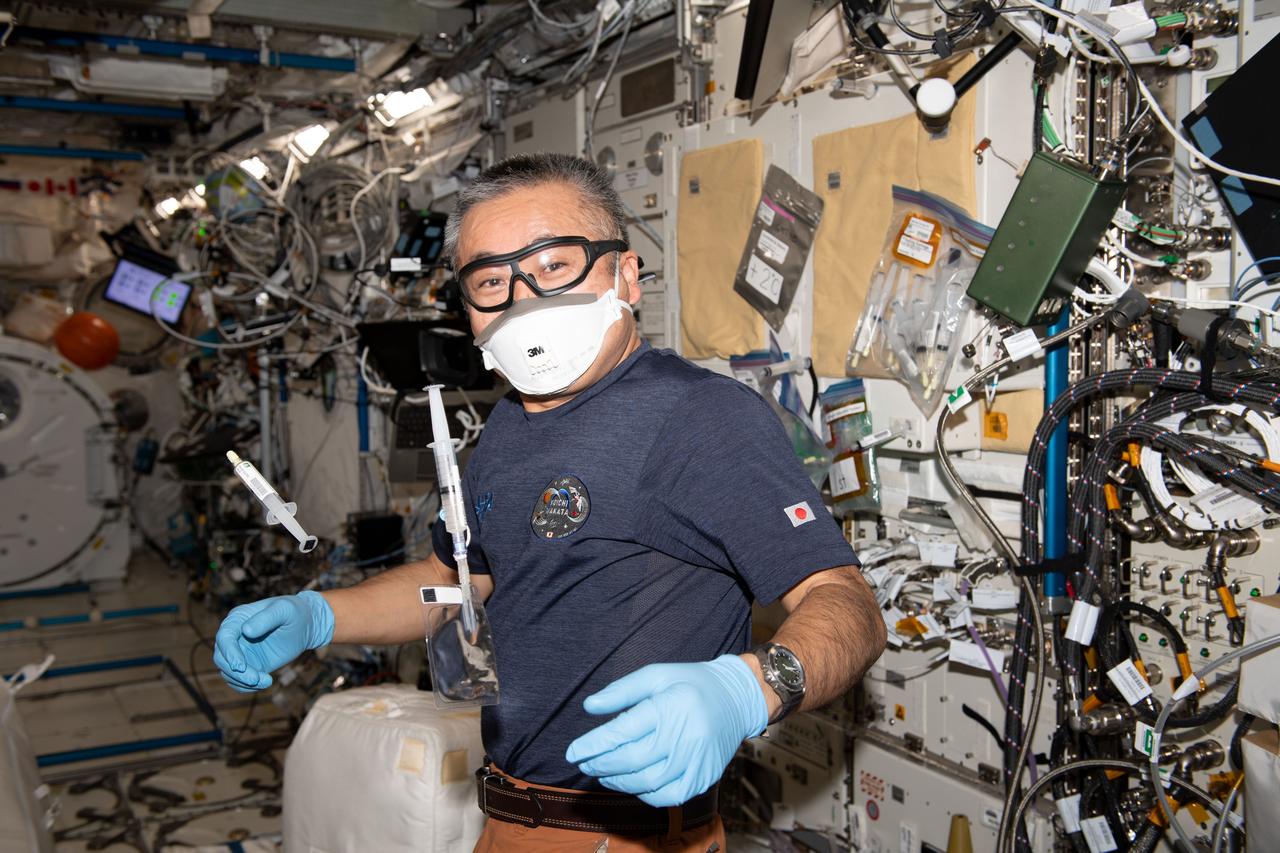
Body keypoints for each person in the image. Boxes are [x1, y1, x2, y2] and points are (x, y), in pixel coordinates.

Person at [213, 153, 886, 852]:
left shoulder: (699, 418)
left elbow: (848, 604)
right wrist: (320, 614)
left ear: (626, 275)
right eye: (492, 280)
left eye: (556, 265)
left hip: (629, 835)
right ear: (469, 310)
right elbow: (458, 581)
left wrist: (752, 687)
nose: (524, 299)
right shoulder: (509, 424)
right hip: (508, 818)